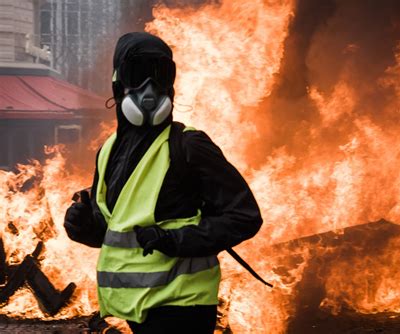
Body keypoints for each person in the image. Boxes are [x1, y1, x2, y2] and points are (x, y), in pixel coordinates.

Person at [63, 32, 263, 334]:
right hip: (132, 310)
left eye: (160, 75)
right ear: (119, 84)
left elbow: (244, 217)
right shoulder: (108, 151)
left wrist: (175, 241)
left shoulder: (189, 146)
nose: (150, 88)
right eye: (138, 74)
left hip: (182, 308)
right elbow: (119, 232)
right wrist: (84, 226)